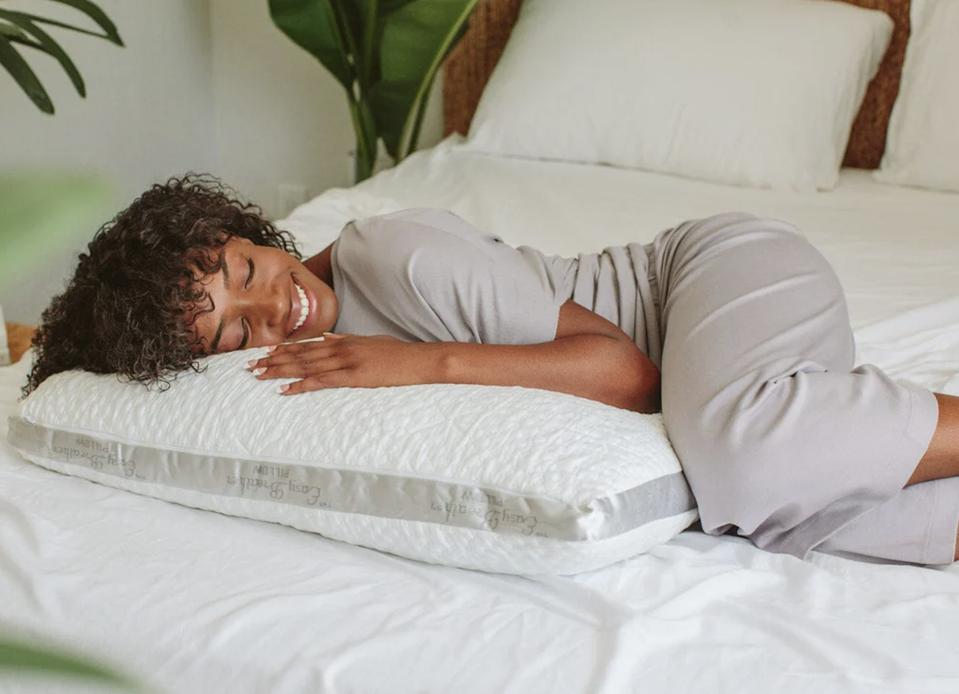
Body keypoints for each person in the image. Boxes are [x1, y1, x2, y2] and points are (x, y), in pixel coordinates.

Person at [23, 173, 959, 567]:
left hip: (715, 280)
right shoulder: (278, 370)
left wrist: (420, 362)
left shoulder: (392, 255)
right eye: (232, 336)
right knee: (784, 521)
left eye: (245, 272)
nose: (272, 309)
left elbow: (624, 371)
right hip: (729, 379)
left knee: (744, 461)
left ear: (243, 232)